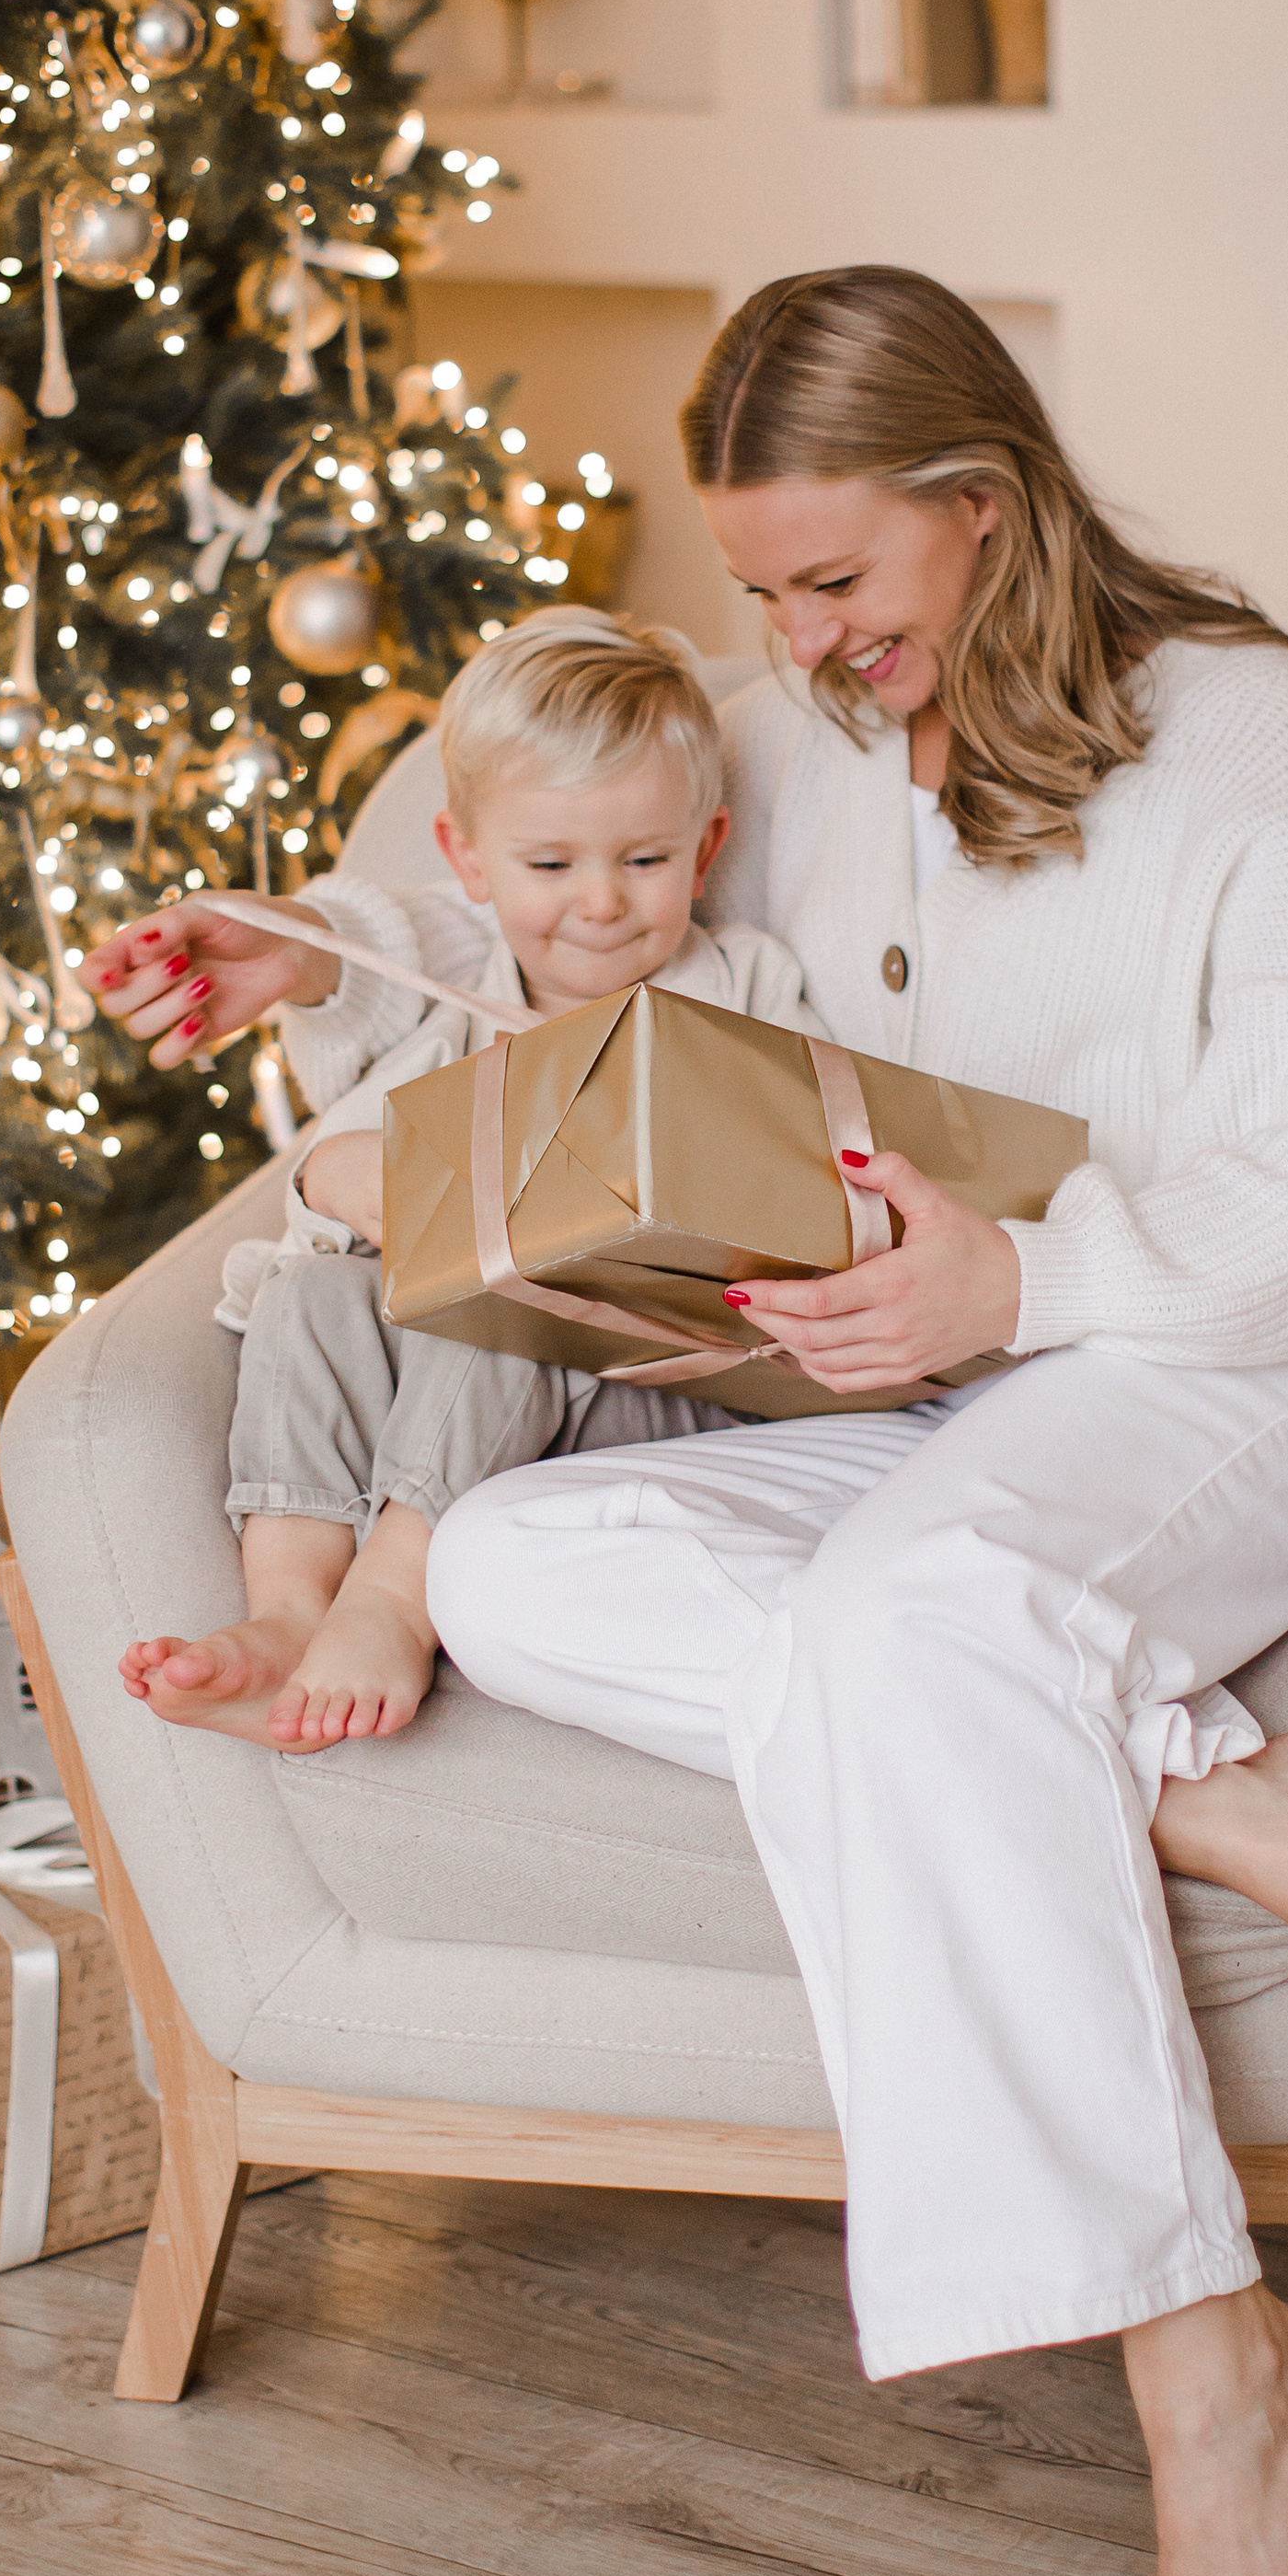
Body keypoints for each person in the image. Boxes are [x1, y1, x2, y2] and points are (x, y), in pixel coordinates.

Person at [87, 267, 1288, 2576]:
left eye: (837, 579)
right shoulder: (798, 722)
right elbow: (532, 877)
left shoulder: (1247, 734)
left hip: (1234, 1351)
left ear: (987, 496)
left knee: (921, 1612)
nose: (797, 638)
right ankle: (1211, 1776)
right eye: (758, 590)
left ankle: (1210, 2350)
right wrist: (286, 942)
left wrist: (1021, 1285)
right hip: (908, 1379)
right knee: (508, 1558)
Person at [120, 611, 807, 1752]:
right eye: (550, 865)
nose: (600, 903)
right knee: (310, 1294)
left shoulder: (745, 995)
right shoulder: (453, 1019)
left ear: (708, 844)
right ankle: (291, 1609)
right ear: (466, 860)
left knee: (507, 1279)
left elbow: (801, 1183)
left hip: (662, 1391)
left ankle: (395, 1595)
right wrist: (356, 1189)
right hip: (466, 1387)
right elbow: (330, 1199)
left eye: (644, 861)